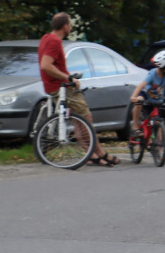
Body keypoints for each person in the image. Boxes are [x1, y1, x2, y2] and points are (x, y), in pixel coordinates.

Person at [37, 12, 120, 167]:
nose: (71, 27)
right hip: (61, 87)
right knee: (86, 119)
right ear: (65, 26)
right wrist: (68, 78)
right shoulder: (54, 41)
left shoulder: (46, 38)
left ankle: (90, 155)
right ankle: (98, 154)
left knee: (78, 121)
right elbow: (45, 65)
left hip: (53, 86)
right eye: (70, 25)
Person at [130, 50, 165, 134]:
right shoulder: (152, 74)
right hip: (146, 96)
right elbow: (141, 85)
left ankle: (160, 145)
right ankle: (135, 126)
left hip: (156, 100)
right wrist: (133, 96)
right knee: (139, 101)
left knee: (157, 124)